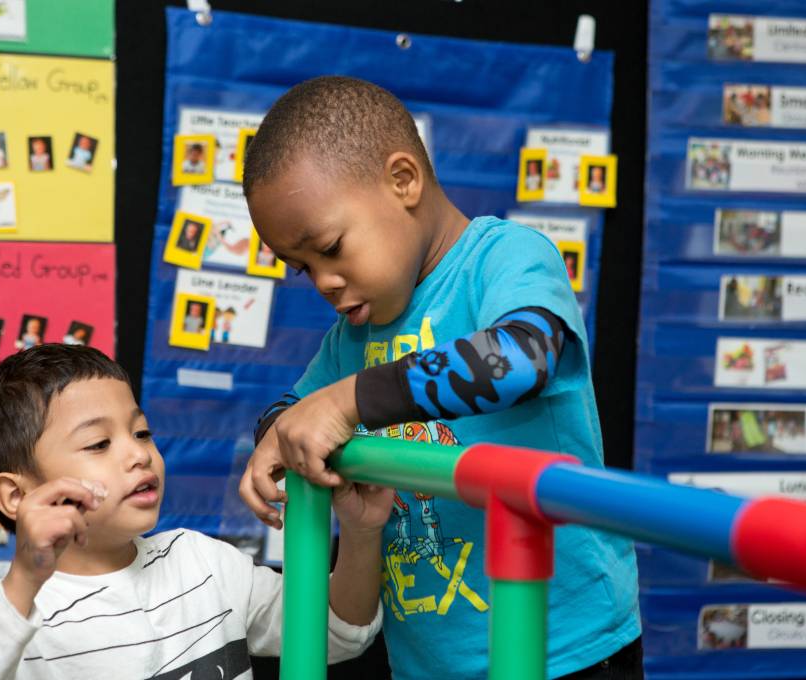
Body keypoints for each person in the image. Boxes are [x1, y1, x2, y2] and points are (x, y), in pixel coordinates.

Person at [237, 76, 641, 680]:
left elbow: (522, 356)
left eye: (331, 247)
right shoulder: (354, 336)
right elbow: (297, 407)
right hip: (429, 663)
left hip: (564, 649)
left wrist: (349, 400)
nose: (323, 281)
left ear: (404, 181)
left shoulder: (504, 258)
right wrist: (277, 432)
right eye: (302, 269)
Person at [0, 344, 389, 678]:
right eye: (99, 444)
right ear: (14, 496)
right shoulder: (11, 612)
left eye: (142, 433)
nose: (138, 455)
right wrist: (25, 578)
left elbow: (334, 633)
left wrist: (362, 533)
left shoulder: (203, 562)